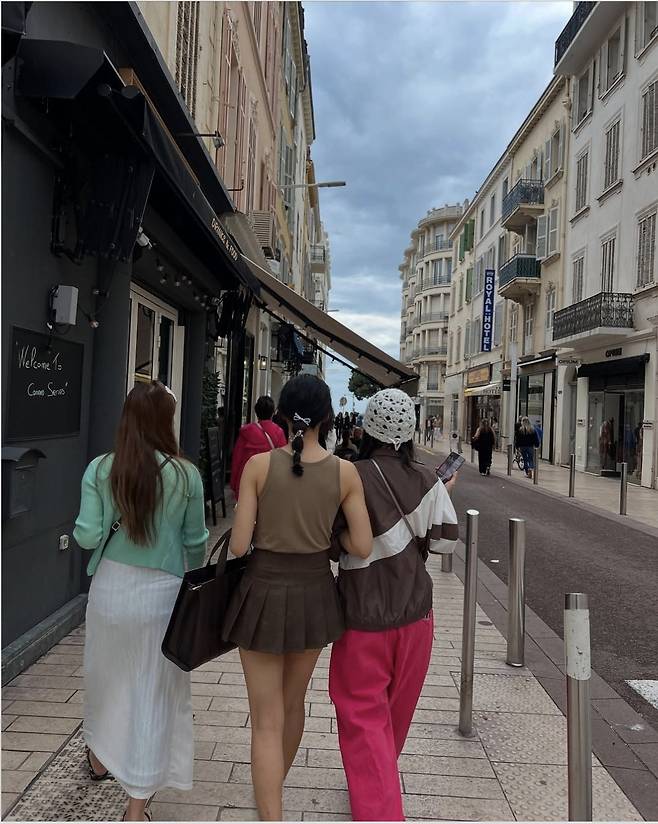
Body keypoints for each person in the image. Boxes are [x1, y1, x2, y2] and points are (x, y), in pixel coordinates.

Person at [223, 374, 373, 821]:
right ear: (328, 416)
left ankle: (271, 810)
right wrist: (328, 540)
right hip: (314, 595)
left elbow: (238, 546)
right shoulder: (344, 472)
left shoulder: (258, 467)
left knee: (265, 719)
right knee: (292, 705)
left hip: (261, 594)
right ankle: (273, 789)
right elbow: (362, 545)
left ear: (283, 415)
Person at [73, 382, 209, 822]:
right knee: (151, 688)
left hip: (111, 589)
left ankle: (98, 759)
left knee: (106, 675)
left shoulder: (101, 468)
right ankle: (135, 808)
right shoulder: (185, 475)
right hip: (163, 595)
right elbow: (195, 542)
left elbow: (88, 535)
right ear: (165, 421)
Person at [329, 389, 459, 822]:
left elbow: (331, 543)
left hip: (362, 615)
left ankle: (379, 806)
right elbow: (444, 544)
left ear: (367, 428)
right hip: (415, 614)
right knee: (393, 716)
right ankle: (375, 783)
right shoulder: (427, 481)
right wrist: (440, 493)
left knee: (363, 717)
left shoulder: (350, 474)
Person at [230, 396, 287, 500]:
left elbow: (237, 459)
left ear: (256, 412)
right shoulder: (279, 432)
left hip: (247, 481)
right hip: (269, 483)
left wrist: (234, 483)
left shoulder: (246, 432)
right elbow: (283, 461)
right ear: (273, 413)